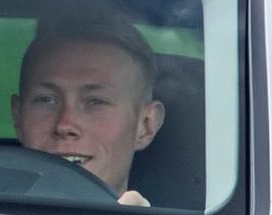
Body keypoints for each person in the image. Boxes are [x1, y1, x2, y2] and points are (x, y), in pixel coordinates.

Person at [12, 12, 166, 204]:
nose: (64, 125)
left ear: (146, 125)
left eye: (96, 102)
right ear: (17, 117)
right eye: (46, 100)